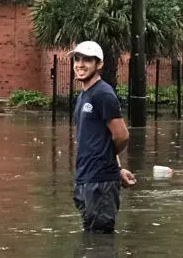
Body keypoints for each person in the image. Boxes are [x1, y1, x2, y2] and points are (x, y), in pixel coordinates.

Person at [69, 41, 136, 233]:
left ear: (99, 65)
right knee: (91, 240)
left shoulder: (103, 94)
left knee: (100, 243)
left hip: (100, 183)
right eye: (77, 59)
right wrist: (118, 168)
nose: (80, 64)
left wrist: (107, 165)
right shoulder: (83, 96)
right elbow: (101, 137)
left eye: (87, 60)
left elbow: (121, 136)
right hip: (85, 179)